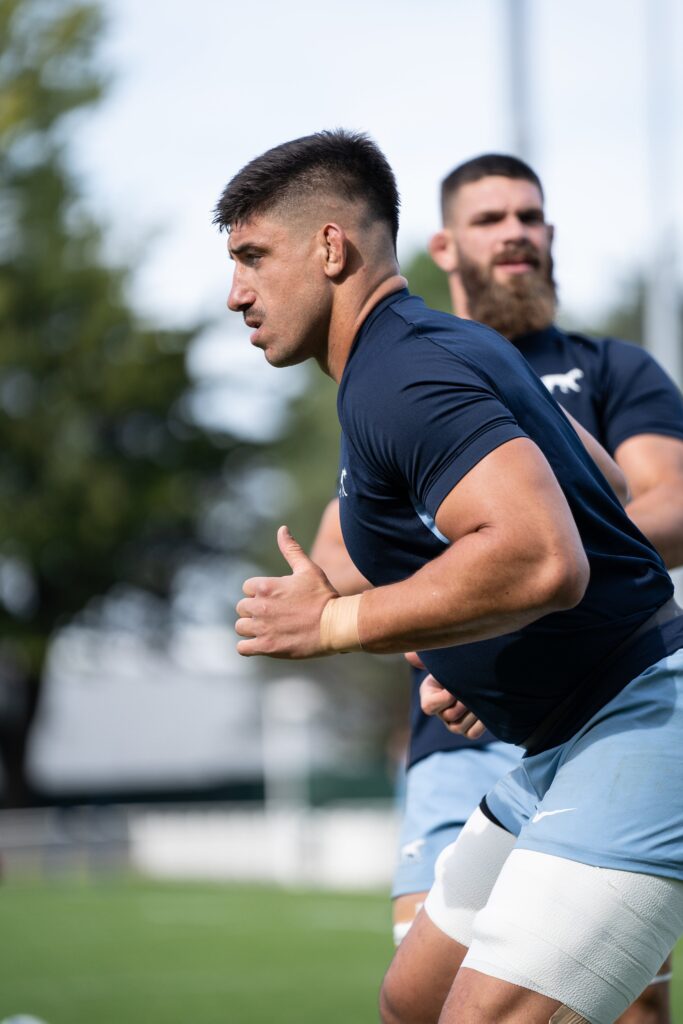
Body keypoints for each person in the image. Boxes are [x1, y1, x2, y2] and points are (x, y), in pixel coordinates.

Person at [217, 129, 683, 1024]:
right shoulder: (430, 346)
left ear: (329, 247)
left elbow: (542, 556)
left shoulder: (399, 374)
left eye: (251, 257)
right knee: (413, 1002)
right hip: (560, 737)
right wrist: (488, 652)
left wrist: (335, 624)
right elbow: (601, 485)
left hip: (639, 724)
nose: (236, 292)